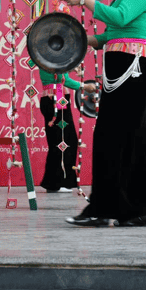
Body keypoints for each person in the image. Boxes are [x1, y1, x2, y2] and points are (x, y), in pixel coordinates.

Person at [59, 0, 146, 227]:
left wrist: (85, 0)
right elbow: (110, 35)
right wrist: (74, 40)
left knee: (115, 139)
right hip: (121, 69)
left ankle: (112, 209)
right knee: (118, 140)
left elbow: (121, 18)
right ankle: (134, 210)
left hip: (134, 69)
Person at [38, 64, 95, 193]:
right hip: (56, 98)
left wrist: (69, 68)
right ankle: (59, 182)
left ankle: (54, 182)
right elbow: (63, 80)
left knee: (60, 141)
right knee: (64, 141)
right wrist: (84, 86)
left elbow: (59, 76)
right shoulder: (52, 59)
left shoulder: (45, 58)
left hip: (56, 97)